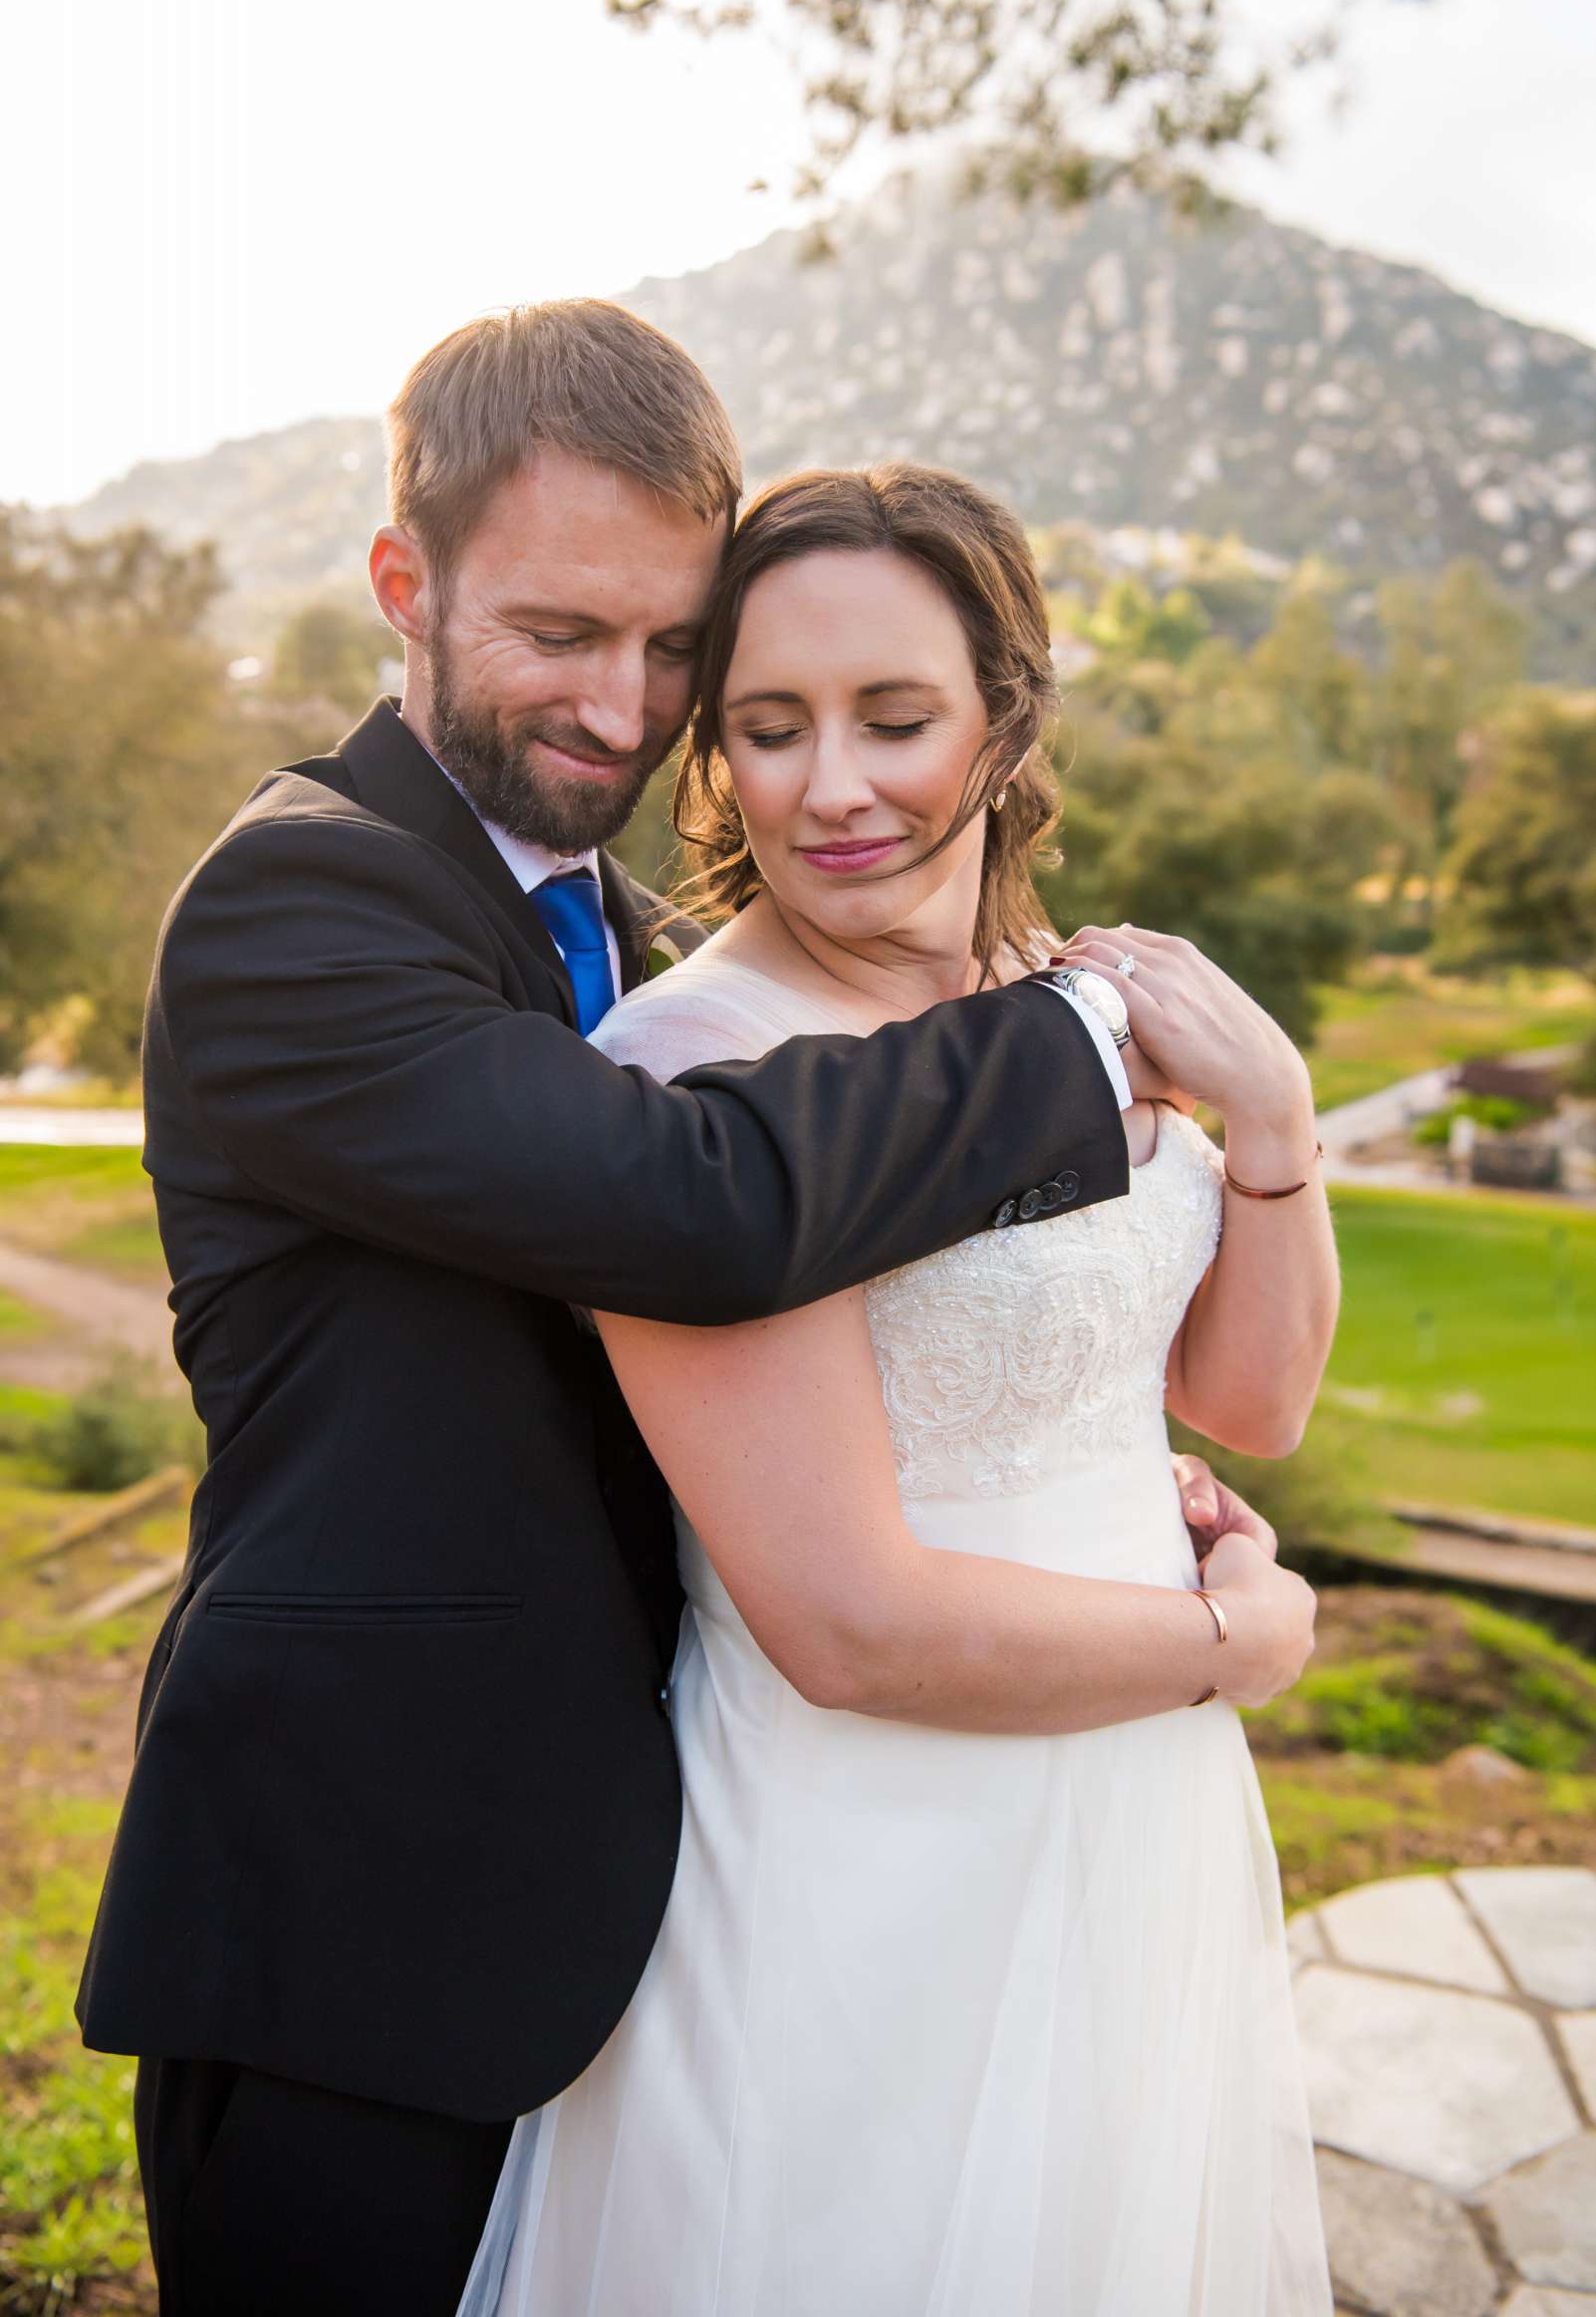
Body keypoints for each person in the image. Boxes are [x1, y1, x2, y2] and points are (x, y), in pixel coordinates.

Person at [73, 303, 1266, 2317]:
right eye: (559, 632)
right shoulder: (302, 903)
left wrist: (1050, 1449)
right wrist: (1093, 1029)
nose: (625, 704)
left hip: (668, 1896)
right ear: (403, 583)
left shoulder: (633, 939)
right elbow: (696, 1206)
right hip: (359, 1909)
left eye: (672, 646)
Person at [460, 463, 1336, 2315]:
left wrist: (1269, 1126)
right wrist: (1234, 1647)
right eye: (767, 730)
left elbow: (1243, 1404)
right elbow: (843, 1627)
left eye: (894, 717)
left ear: (1006, 718)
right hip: (862, 1844)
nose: (830, 787)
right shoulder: (690, 1078)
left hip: (1133, 1811)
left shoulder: (1082, 1005)